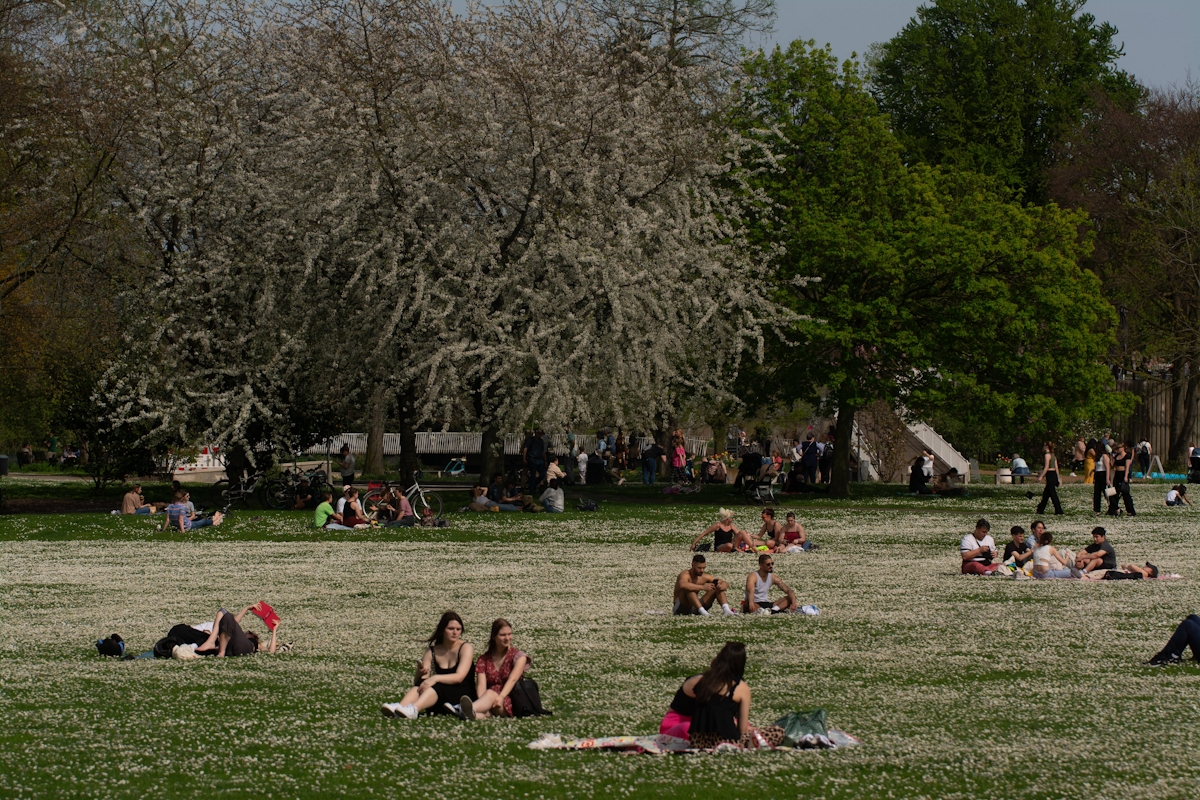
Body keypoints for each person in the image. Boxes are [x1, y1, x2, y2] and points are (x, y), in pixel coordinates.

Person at [686, 642, 786, 750]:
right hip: (725, 739)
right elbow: (742, 729)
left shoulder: (702, 680)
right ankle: (753, 743)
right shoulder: (740, 687)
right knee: (778, 732)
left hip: (697, 742)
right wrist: (751, 729)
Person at [382, 611, 476, 719]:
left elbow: (459, 677)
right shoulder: (431, 651)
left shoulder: (465, 647)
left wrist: (435, 678)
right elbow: (423, 681)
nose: (455, 632)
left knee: (436, 684)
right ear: (442, 630)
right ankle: (400, 707)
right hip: (439, 697)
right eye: (450, 629)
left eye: (458, 629)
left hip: (460, 697)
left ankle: (414, 709)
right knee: (423, 683)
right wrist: (420, 673)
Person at [455, 619, 530, 720]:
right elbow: (481, 686)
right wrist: (483, 700)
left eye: (509, 634)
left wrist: (501, 697)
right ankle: (471, 713)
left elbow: (513, 679)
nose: (507, 638)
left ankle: (463, 708)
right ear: (494, 636)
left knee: (490, 693)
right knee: (484, 709)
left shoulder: (518, 657)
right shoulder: (483, 659)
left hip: (510, 699)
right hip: (489, 701)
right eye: (503, 635)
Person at [191, 605, 279, 657]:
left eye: (249, 633)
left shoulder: (256, 645)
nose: (246, 633)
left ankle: (217, 648)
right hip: (230, 649)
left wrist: (274, 630)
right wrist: (247, 608)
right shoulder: (231, 637)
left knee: (226, 614)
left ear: (253, 637)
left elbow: (271, 651)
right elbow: (231, 624)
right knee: (224, 615)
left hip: (245, 648)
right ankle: (217, 647)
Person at [691, 509, 756, 553]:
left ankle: (754, 549)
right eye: (732, 517)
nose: (733, 519)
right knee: (729, 545)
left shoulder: (731, 526)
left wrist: (747, 536)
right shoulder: (718, 525)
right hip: (720, 546)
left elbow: (739, 535)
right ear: (727, 518)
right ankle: (741, 551)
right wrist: (694, 543)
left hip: (731, 544)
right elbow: (704, 533)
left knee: (742, 532)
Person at [1108, 442, 1136, 517]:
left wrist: (1126, 476)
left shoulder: (1127, 456)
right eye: (1117, 448)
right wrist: (1111, 458)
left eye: (1119, 448)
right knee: (1113, 493)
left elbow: (1127, 467)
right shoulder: (1116, 456)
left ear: (1123, 448)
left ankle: (1130, 510)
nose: (1117, 449)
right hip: (1117, 474)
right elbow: (1112, 465)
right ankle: (1114, 509)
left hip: (1123, 474)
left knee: (1125, 493)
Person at [1036, 441, 1063, 516]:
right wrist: (1057, 477)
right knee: (1046, 494)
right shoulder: (1053, 455)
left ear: (1047, 447)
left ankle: (1059, 510)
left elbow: (1046, 467)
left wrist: (1041, 476)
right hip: (1054, 474)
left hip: (1050, 474)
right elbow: (1056, 467)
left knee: (1052, 494)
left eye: (1044, 446)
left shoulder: (1047, 455)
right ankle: (1040, 509)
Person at [525, 428, 547, 493]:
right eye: (538, 433)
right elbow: (525, 449)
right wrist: (524, 458)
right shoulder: (531, 440)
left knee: (542, 474)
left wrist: (545, 460)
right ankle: (531, 490)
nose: (540, 435)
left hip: (539, 460)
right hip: (532, 459)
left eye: (541, 433)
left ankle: (533, 484)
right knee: (532, 475)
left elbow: (543, 451)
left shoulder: (541, 441)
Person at [1092, 445, 1110, 513]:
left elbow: (1107, 468)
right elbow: (1098, 467)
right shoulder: (1097, 457)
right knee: (1097, 492)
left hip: (1103, 474)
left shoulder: (1104, 456)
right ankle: (1097, 510)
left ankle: (1113, 507)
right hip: (1098, 474)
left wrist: (1107, 478)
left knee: (1106, 492)